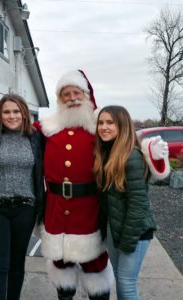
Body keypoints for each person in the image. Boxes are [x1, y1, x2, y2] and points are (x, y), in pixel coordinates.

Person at [34, 69, 170, 300]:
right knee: (62, 269)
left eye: (77, 92)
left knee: (95, 269)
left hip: (91, 209)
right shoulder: (46, 128)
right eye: (66, 94)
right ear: (59, 99)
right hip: (56, 209)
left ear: (87, 96)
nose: (72, 98)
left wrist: (151, 153)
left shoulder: (98, 127)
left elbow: (125, 146)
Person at [93, 105, 169, 300]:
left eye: (110, 122)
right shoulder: (108, 152)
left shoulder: (132, 155)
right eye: (101, 123)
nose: (104, 127)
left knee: (127, 284)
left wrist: (126, 240)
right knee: (121, 279)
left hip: (134, 231)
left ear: (123, 125)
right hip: (116, 227)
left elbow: (138, 204)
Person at [0, 94, 45, 300]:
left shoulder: (35, 137)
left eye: (16, 111)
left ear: (24, 113)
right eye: (6, 112)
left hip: (25, 208)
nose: (12, 116)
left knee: (17, 264)